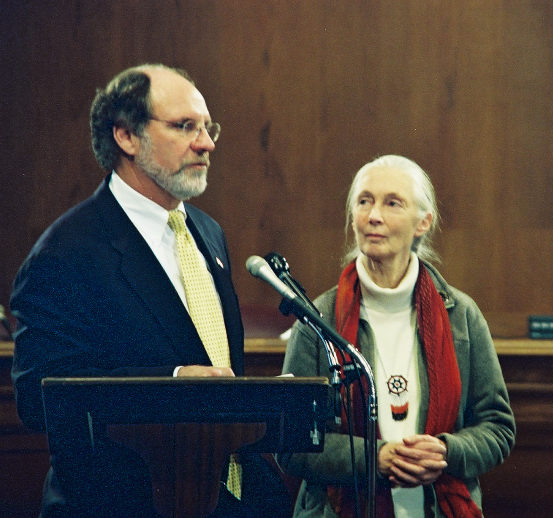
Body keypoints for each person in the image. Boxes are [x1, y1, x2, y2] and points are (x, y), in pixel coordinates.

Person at [10, 64, 279, 517]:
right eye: (184, 126)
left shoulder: (207, 233)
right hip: (124, 502)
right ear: (126, 137)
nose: (207, 143)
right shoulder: (65, 253)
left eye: (208, 127)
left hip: (223, 497)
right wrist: (172, 383)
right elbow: (39, 396)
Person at [278, 155, 515, 517]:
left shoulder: (461, 315)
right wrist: (375, 459)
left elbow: (497, 427)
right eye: (364, 201)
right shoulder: (317, 319)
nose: (374, 215)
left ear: (423, 222)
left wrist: (447, 452)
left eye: (392, 203)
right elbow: (290, 443)